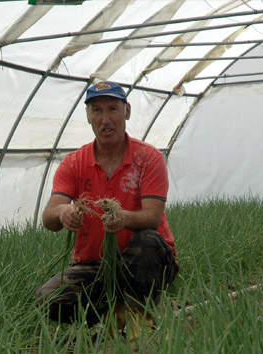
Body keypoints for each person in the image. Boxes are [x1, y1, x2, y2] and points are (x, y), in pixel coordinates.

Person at [35, 81, 179, 334]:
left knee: (148, 242)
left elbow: (153, 217)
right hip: (94, 263)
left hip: (142, 259)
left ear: (127, 111)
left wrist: (122, 218)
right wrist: (63, 212)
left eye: (113, 108)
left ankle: (138, 314)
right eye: (97, 110)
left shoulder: (148, 158)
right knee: (49, 298)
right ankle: (110, 312)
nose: (105, 119)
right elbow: (49, 217)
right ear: (89, 116)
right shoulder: (74, 163)